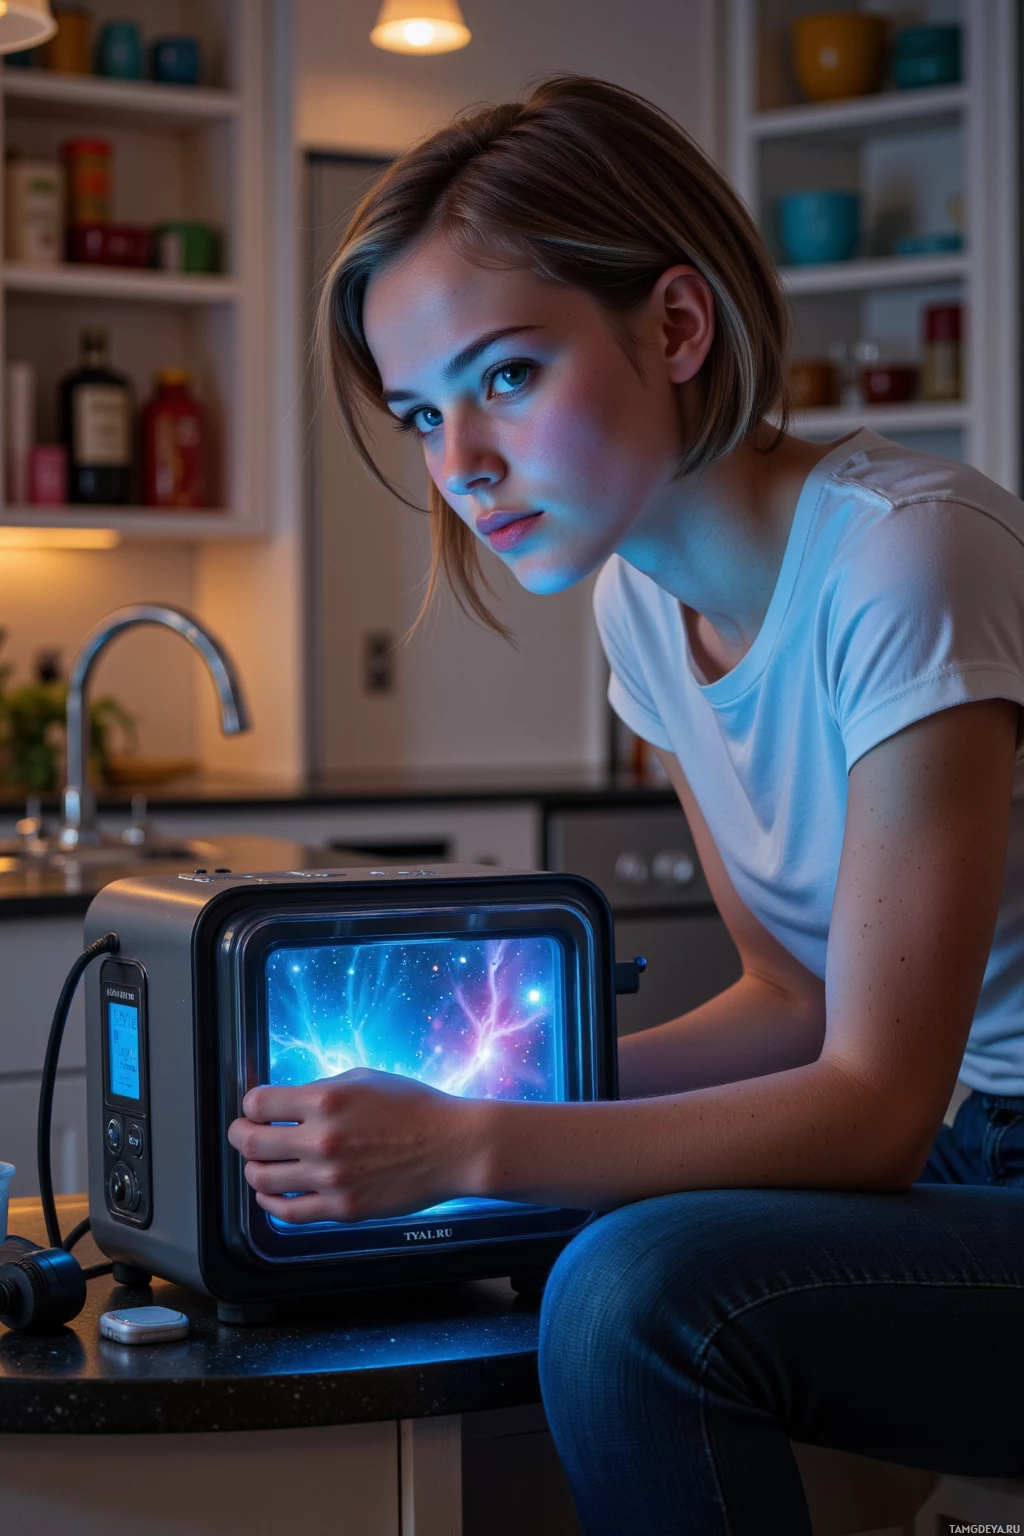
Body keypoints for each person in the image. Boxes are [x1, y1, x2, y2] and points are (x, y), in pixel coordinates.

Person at [228, 76, 1024, 1533]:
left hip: (979, 1143)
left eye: (506, 377)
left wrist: (468, 1145)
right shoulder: (639, 612)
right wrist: (483, 1099)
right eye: (422, 411)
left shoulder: (908, 560)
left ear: (674, 326)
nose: (458, 466)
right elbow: (793, 996)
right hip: (974, 1147)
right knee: (549, 1232)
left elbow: (876, 1110)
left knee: (624, 1290)